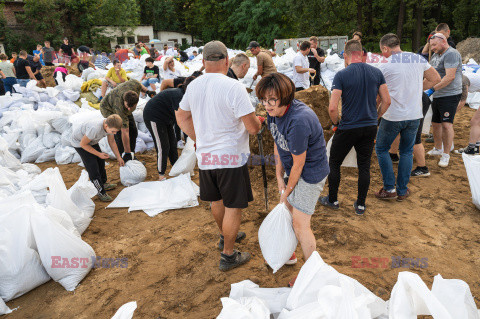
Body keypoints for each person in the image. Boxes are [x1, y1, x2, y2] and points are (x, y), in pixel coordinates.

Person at [176, 40, 262, 271]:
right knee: (234, 206)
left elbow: (181, 117)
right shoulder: (234, 87)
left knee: (217, 200)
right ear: (227, 61)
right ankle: (228, 255)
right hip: (231, 156)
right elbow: (253, 128)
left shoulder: (193, 86)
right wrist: (259, 123)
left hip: (206, 157)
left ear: (203, 62)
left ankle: (226, 237)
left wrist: (199, 138)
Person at [257, 73, 329, 286]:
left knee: (300, 223)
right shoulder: (273, 113)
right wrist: (279, 176)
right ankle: (289, 252)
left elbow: (299, 164)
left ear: (285, 97)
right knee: (287, 210)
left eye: (272, 100)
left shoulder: (299, 120)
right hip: (293, 170)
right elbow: (278, 144)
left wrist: (286, 190)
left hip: (311, 173)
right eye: (263, 99)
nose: (266, 105)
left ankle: (311, 272)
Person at [319, 40, 391, 215]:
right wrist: (376, 116)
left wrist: (336, 123)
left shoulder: (342, 75)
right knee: (364, 166)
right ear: (362, 54)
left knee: (334, 162)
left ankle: (333, 199)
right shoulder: (376, 73)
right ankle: (360, 205)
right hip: (370, 126)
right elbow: (387, 101)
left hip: (348, 127)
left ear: (346, 55)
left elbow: (332, 107)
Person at [374, 33, 441, 201]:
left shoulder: (385, 65)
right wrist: (418, 87)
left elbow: (378, 95)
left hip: (393, 115)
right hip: (414, 114)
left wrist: (375, 113)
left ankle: (389, 188)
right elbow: (435, 78)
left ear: (385, 48)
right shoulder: (416, 58)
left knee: (381, 149)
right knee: (406, 151)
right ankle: (402, 190)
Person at [143, 75, 200, 180]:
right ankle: (161, 174)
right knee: (162, 146)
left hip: (167, 117)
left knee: (172, 144)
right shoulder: (179, 96)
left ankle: (176, 167)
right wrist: (194, 137)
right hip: (154, 116)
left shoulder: (186, 95)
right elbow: (182, 121)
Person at [426, 33, 463, 168]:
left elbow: (450, 77)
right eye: (431, 46)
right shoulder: (436, 56)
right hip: (438, 94)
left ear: (443, 41)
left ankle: (446, 154)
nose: (433, 48)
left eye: (434, 45)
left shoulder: (451, 54)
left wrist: (431, 90)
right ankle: (438, 148)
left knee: (447, 124)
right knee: (435, 123)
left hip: (450, 94)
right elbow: (430, 76)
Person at [71, 114, 124, 202]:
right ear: (106, 126)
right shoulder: (95, 128)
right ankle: (100, 191)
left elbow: (112, 141)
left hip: (91, 141)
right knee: (93, 167)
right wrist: (99, 154)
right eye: (113, 131)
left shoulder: (110, 125)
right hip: (80, 143)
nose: (114, 133)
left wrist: (118, 157)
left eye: (116, 132)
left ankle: (103, 183)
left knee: (101, 162)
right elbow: (83, 144)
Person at [100, 79, 154, 162]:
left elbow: (140, 85)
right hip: (108, 108)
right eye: (127, 106)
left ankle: (131, 154)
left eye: (131, 107)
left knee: (134, 131)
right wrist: (127, 152)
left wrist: (148, 92)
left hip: (120, 105)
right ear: (124, 101)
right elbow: (125, 131)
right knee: (119, 132)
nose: (129, 109)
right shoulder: (120, 107)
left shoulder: (134, 85)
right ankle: (124, 156)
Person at [411, 93, 434, 177]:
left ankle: (422, 168)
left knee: (415, 136)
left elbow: (435, 79)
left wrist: (430, 89)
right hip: (414, 98)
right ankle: (393, 155)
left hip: (418, 99)